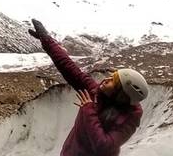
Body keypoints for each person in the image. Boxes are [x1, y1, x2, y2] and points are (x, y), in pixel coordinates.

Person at [29, 19, 149, 156]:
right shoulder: (95, 91)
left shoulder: (130, 118)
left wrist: (88, 110)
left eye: (113, 81)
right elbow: (68, 66)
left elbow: (105, 147)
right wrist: (47, 41)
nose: (106, 79)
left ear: (120, 94)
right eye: (111, 76)